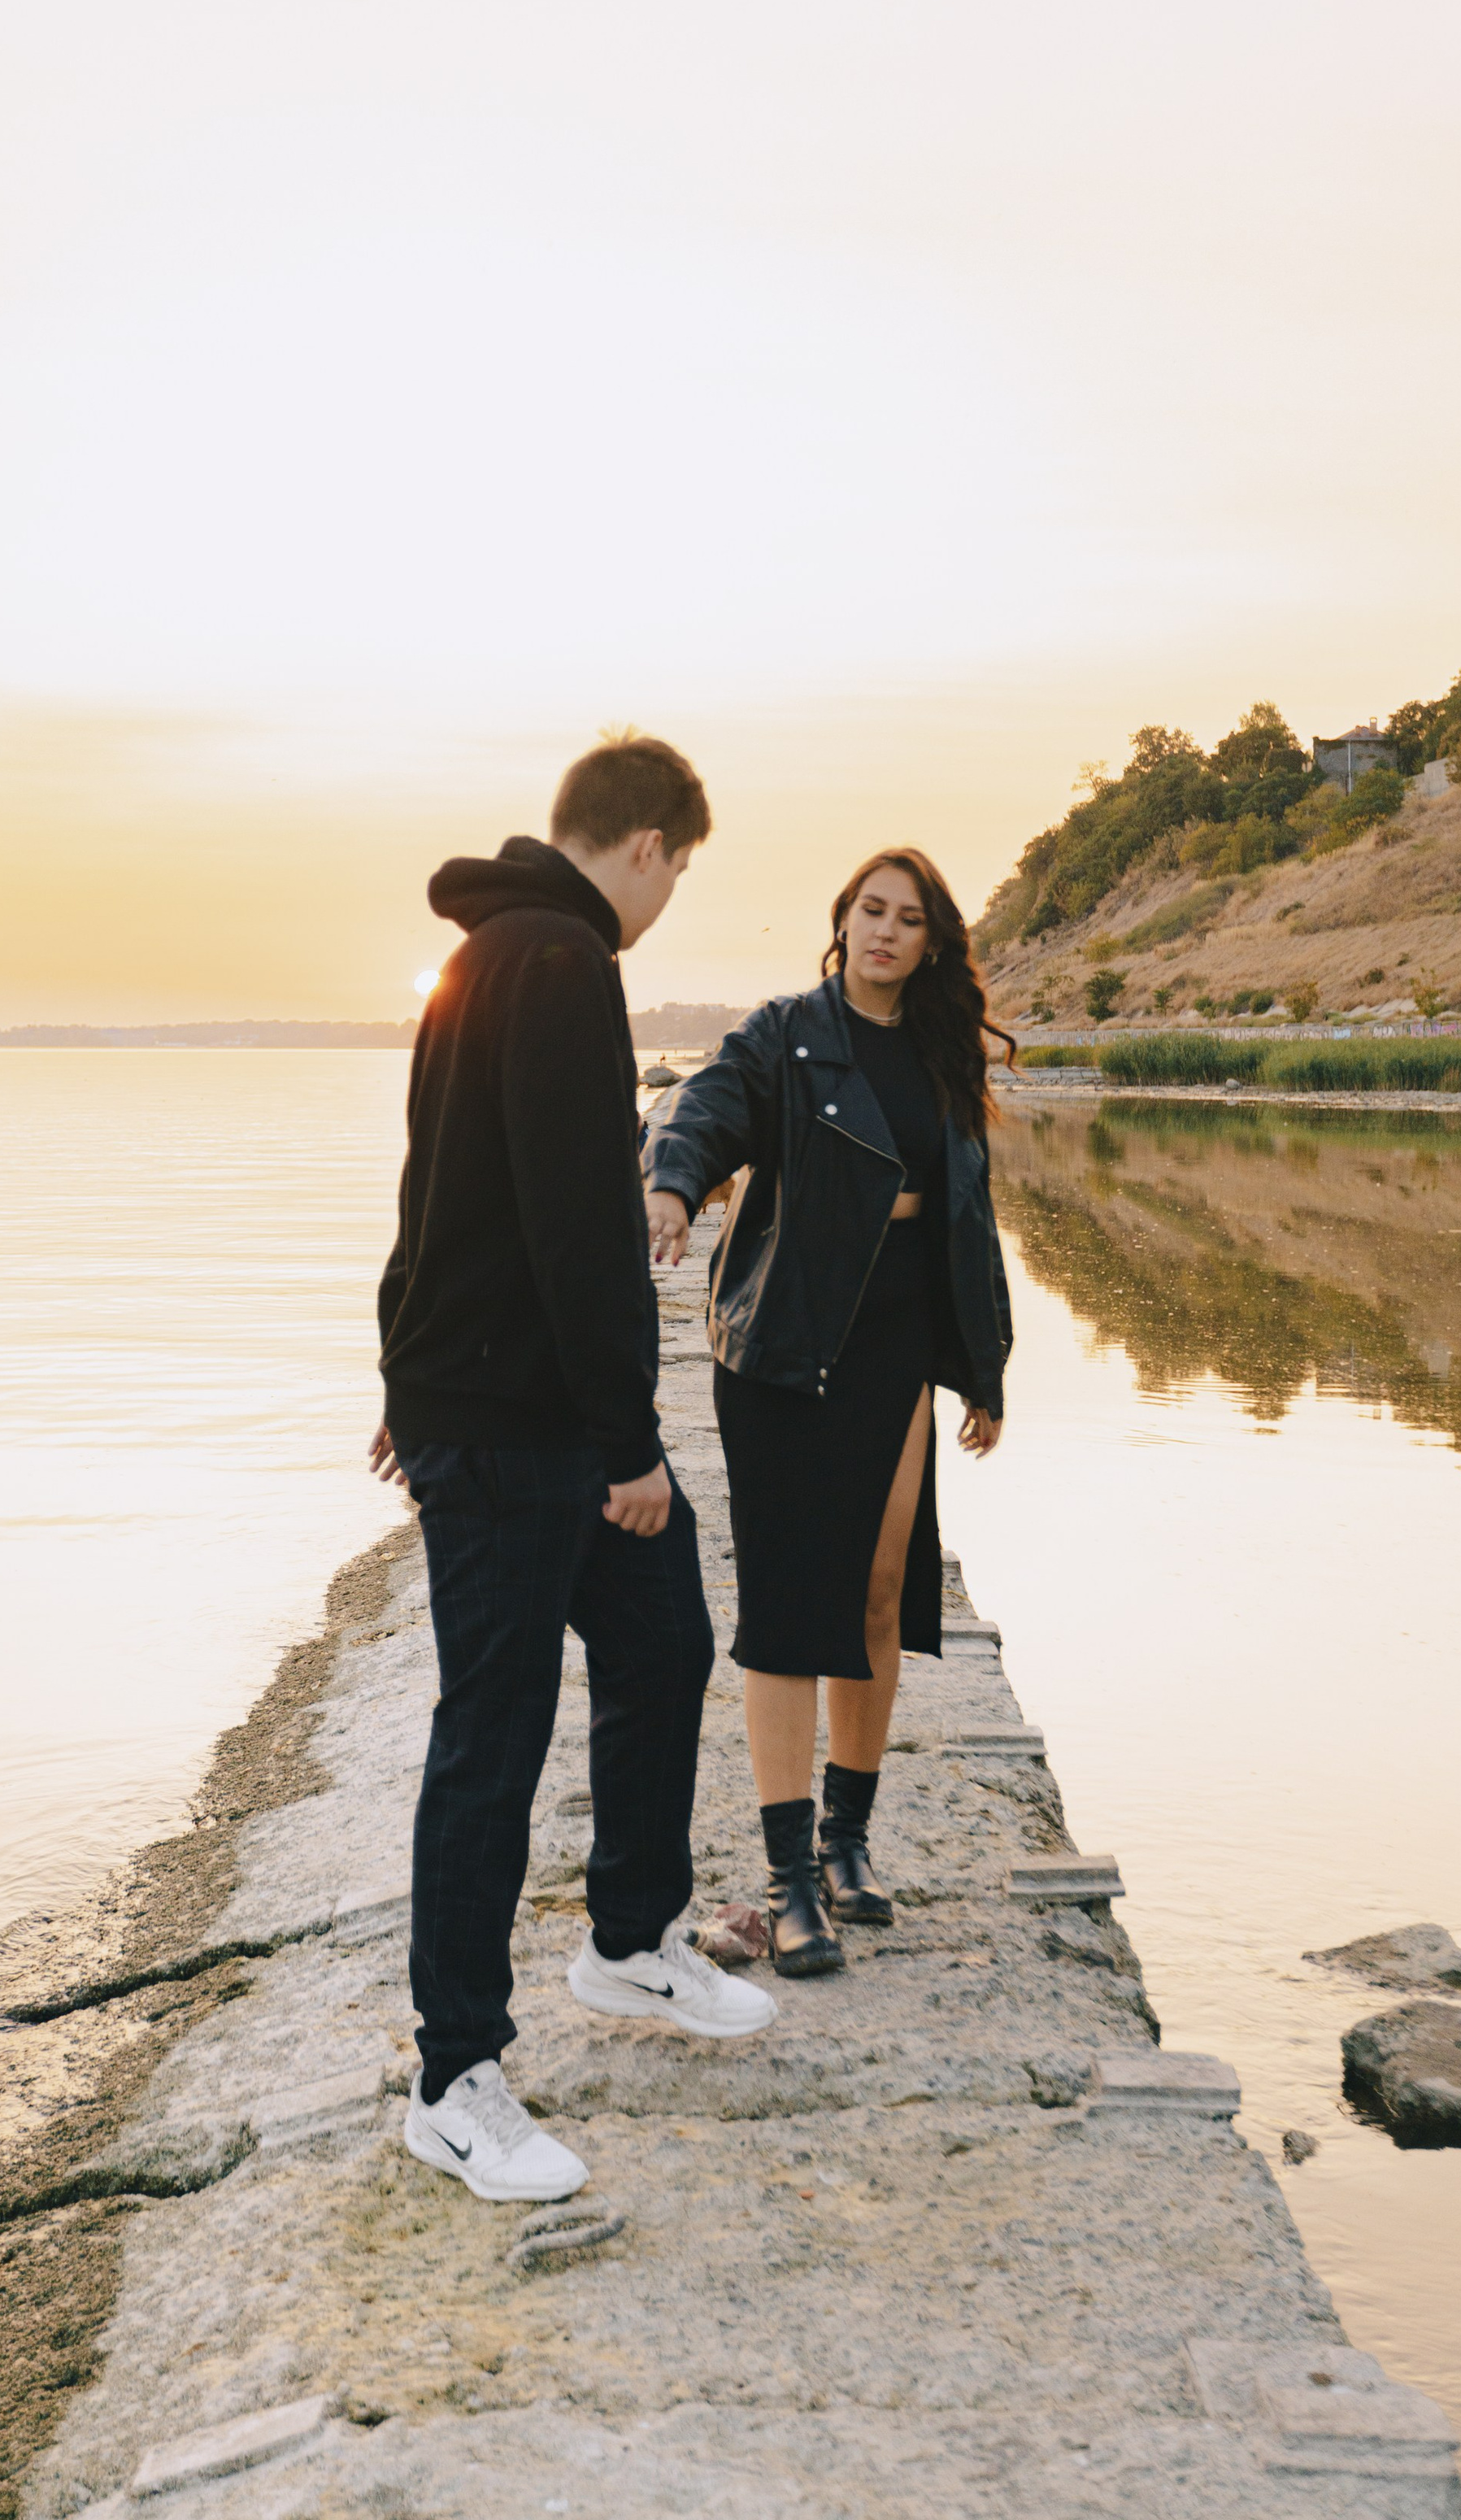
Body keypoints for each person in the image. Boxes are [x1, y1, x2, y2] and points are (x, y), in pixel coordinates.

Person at [372, 733, 777, 2204]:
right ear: (656, 847)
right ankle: (455, 2079)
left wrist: (405, 1365)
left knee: (665, 1640)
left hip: (494, 1396)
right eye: (683, 871)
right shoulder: (555, 960)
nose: (672, 896)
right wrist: (628, 1447)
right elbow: (565, 1224)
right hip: (519, 1426)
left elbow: (441, 1193)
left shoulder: (500, 952)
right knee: (494, 1733)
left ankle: (626, 1945)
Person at [641, 850, 1014, 1978]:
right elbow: (705, 1104)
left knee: (883, 1590)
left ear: (933, 941)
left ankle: (849, 1845)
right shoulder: (788, 1033)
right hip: (792, 1344)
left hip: (897, 1339)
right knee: (790, 1607)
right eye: (871, 912)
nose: (887, 933)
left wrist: (985, 1366)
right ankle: (788, 1878)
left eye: (910, 919)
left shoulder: (941, 1051)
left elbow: (968, 1212)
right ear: (842, 923)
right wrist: (670, 1182)